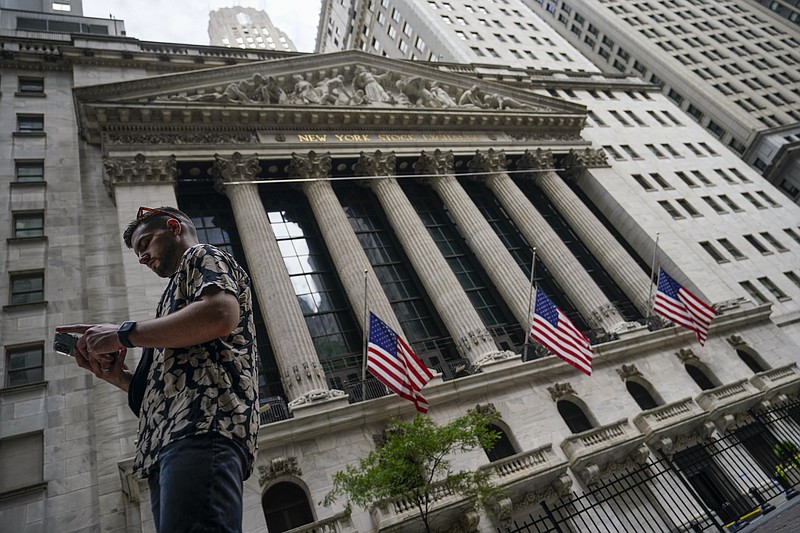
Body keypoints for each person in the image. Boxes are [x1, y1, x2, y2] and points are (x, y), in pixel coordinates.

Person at [57, 206, 259, 533]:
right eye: (138, 253)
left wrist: (124, 334)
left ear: (173, 227)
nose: (143, 258)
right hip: (164, 444)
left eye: (146, 244)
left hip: (202, 425)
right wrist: (118, 377)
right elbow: (170, 383)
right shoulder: (170, 299)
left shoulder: (200, 255)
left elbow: (221, 314)